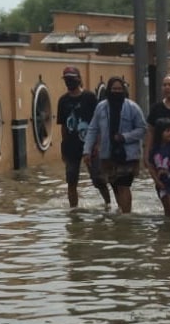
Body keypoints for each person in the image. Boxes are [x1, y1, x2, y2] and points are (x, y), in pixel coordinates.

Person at [82, 76, 147, 214]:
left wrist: (125, 137)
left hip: (128, 154)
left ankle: (126, 216)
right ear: (108, 90)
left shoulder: (133, 107)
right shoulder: (101, 107)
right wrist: (87, 150)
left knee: (124, 185)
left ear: (124, 90)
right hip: (108, 154)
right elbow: (93, 129)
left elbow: (142, 129)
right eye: (114, 89)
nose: (116, 91)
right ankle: (121, 210)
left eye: (119, 89)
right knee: (115, 184)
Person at [56, 66, 111, 209]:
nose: (69, 82)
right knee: (71, 179)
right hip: (71, 146)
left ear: (79, 79)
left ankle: (108, 204)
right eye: (66, 80)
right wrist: (63, 147)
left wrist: (97, 145)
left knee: (98, 179)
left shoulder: (90, 97)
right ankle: (73, 210)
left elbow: (99, 121)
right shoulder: (63, 101)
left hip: (90, 145)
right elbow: (62, 126)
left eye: (71, 79)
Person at [147, 117, 170, 217]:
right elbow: (151, 166)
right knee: (167, 207)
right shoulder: (154, 149)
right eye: (167, 131)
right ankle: (169, 228)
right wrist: (157, 181)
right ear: (159, 132)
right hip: (161, 182)